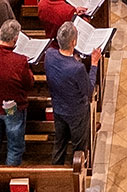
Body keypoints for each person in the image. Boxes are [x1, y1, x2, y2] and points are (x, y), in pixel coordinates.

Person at [0, 19, 35, 166]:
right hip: (12, 109)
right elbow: (29, 84)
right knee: (15, 147)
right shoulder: (20, 60)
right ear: (16, 39)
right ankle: (11, 177)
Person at [44, 20, 102, 165]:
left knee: (60, 143)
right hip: (76, 112)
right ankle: (77, 177)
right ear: (74, 42)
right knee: (78, 147)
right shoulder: (77, 68)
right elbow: (88, 90)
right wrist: (94, 64)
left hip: (58, 108)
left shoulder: (49, 55)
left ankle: (56, 172)